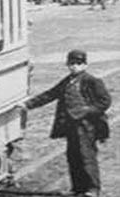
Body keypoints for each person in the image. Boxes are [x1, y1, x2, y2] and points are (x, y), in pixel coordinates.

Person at [25, 50, 111, 197]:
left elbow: (105, 102)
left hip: (87, 126)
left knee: (87, 156)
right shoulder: (67, 81)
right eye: (71, 64)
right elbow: (50, 94)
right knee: (73, 157)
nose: (74, 66)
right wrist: (28, 104)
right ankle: (77, 188)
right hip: (71, 126)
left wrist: (87, 110)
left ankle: (92, 189)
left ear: (85, 65)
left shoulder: (92, 81)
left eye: (78, 64)